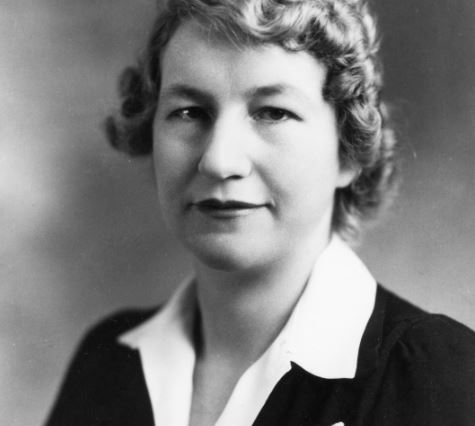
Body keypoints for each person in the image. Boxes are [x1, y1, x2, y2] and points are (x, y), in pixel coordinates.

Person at [45, 0, 475, 425]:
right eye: (189, 112)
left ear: (348, 152)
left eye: (273, 112)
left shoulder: (432, 374)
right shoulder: (106, 363)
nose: (219, 160)